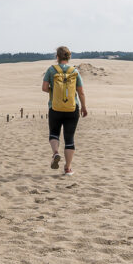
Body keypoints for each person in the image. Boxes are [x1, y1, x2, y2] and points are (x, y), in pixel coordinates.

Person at [41, 45, 87, 174]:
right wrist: (83, 107)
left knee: (54, 133)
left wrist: (54, 91)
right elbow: (81, 92)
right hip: (72, 109)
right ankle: (68, 168)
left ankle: (55, 153)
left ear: (57, 57)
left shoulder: (51, 70)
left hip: (55, 108)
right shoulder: (75, 71)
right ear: (69, 57)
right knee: (69, 138)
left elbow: (44, 88)